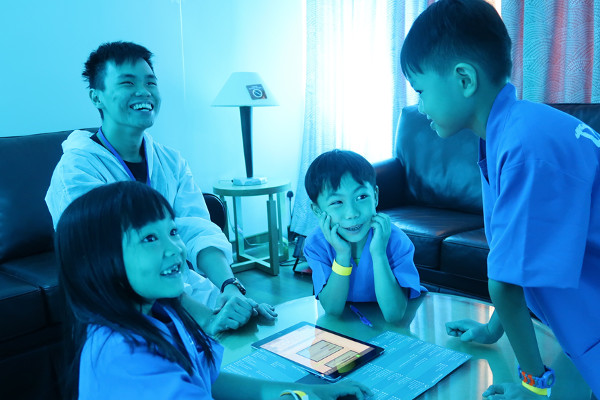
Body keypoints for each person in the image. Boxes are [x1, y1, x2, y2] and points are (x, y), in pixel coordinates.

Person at [400, 0, 599, 398]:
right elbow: (516, 261)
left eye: (421, 90)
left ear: (464, 79)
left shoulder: (525, 146)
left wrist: (533, 387)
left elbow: (506, 283)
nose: (420, 107)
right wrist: (491, 330)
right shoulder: (511, 133)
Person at [56, 181, 371, 400]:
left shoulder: (163, 313)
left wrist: (308, 391)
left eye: (173, 231)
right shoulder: (124, 358)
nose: (175, 249)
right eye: (150, 239)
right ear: (99, 260)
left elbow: (206, 378)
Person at [45, 41, 275, 336]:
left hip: (175, 285)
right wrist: (202, 315)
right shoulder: (76, 171)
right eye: (127, 82)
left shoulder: (170, 161)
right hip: (119, 305)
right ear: (96, 97)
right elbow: (113, 262)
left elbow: (195, 228)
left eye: (150, 82)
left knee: (249, 326)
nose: (143, 91)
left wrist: (230, 288)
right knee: (211, 339)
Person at [302, 149, 423, 323]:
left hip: (388, 328)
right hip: (343, 326)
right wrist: (342, 255)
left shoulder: (395, 240)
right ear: (317, 211)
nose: (352, 213)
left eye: (362, 196)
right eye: (337, 202)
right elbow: (332, 310)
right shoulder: (316, 244)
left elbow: (394, 314)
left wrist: (379, 253)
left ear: (375, 196)